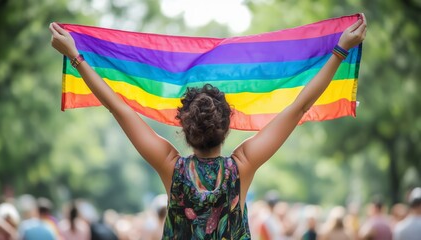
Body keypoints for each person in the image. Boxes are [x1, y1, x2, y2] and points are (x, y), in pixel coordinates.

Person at [49, 14, 367, 239]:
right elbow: (299, 106)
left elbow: (118, 107)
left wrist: (76, 57)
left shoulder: (171, 167)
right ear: (228, 127)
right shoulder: (241, 167)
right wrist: (339, 51)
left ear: (184, 128)